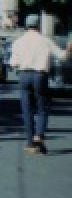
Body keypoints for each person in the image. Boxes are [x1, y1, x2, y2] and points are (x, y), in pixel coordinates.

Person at [9, 14, 72, 154]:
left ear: (26, 25)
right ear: (38, 25)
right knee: (42, 107)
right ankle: (39, 135)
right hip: (40, 75)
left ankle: (30, 142)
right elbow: (62, 57)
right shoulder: (45, 40)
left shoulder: (18, 41)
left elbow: (13, 63)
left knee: (27, 109)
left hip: (24, 75)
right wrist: (68, 49)